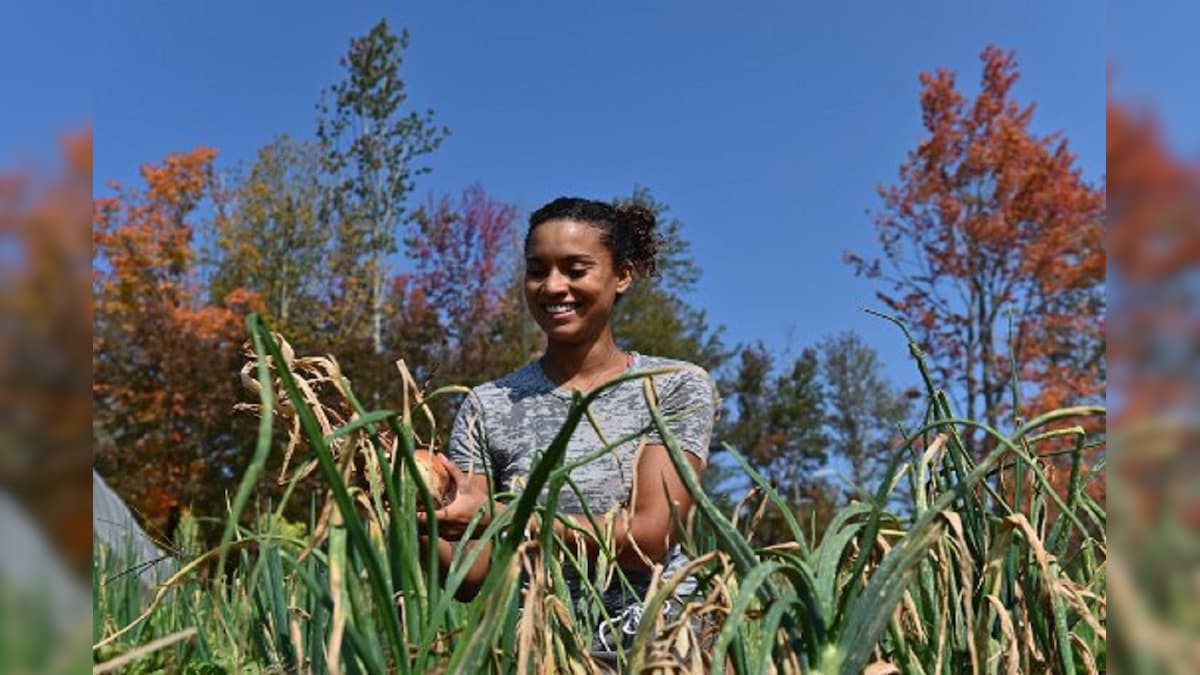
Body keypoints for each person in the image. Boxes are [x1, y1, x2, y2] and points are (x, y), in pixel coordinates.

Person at [419, 196, 718, 658]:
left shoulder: (672, 387)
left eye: (575, 269)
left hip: (654, 646)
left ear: (622, 275)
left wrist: (508, 520)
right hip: (539, 651)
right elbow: (469, 576)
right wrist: (414, 512)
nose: (553, 286)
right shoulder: (488, 405)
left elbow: (651, 538)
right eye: (537, 270)